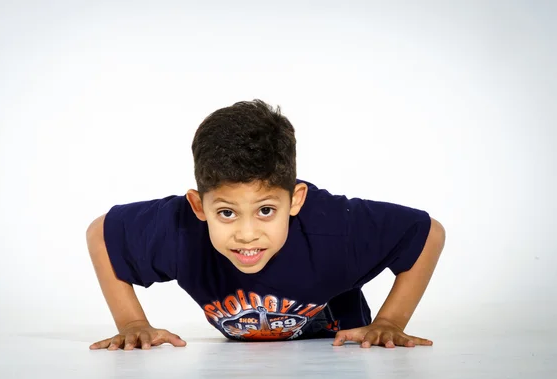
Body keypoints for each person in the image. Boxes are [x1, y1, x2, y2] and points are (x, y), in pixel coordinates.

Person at [85, 99, 446, 351]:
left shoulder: (334, 229)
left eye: (266, 211)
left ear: (296, 200)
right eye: (226, 213)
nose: (246, 234)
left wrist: (391, 322)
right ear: (199, 205)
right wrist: (132, 325)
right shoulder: (180, 230)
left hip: (333, 353)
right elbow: (102, 233)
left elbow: (426, 231)